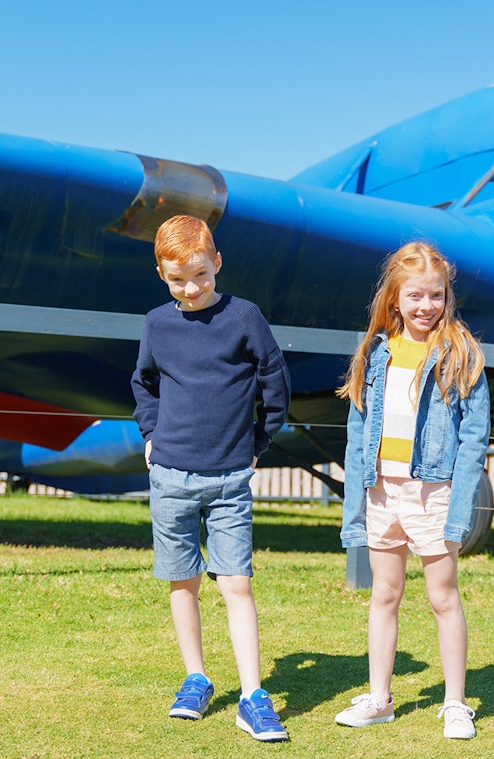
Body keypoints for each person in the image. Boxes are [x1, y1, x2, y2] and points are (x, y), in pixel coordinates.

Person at [131, 214, 292, 742]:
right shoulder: (156, 323)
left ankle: (252, 696)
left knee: (237, 584)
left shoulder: (246, 317)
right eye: (178, 279)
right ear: (160, 274)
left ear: (216, 262)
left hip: (229, 479)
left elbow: (275, 384)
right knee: (184, 582)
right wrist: (150, 435)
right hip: (170, 477)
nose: (192, 287)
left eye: (200, 274)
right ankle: (195, 678)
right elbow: (144, 382)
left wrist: (257, 444)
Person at [333, 240, 490, 740]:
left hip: (433, 493)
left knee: (443, 596)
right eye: (416, 296)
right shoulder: (375, 352)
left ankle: (456, 704)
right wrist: (357, 494)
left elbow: (474, 438)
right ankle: (380, 699)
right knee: (385, 593)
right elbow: (359, 428)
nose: (426, 307)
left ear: (447, 297)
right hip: (382, 491)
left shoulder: (460, 354)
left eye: (436, 296)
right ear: (395, 298)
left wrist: (460, 506)